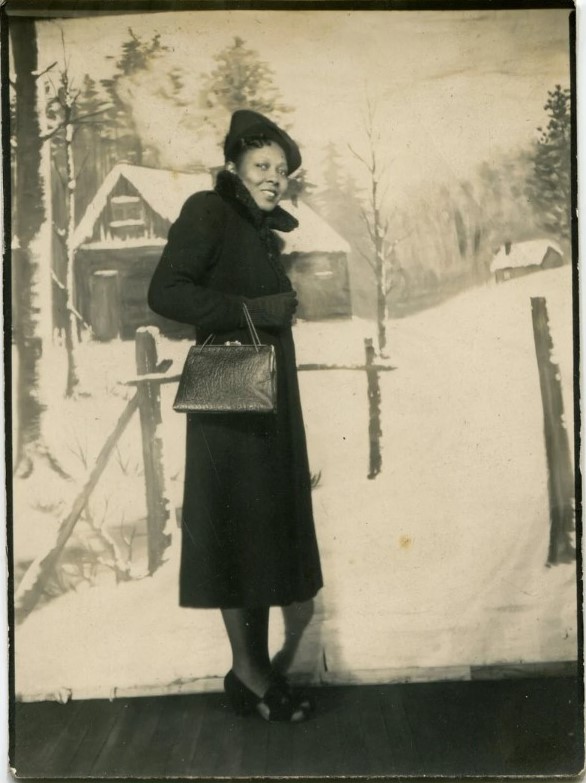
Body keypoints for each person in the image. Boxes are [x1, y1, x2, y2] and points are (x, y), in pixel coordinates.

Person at [148, 110, 323, 722]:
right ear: (233, 168)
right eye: (261, 166)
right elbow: (165, 293)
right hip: (230, 402)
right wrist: (256, 309)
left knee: (261, 538)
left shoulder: (260, 230)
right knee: (239, 535)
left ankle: (253, 672)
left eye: (281, 168)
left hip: (266, 402)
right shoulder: (209, 209)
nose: (274, 177)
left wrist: (261, 309)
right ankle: (250, 672)